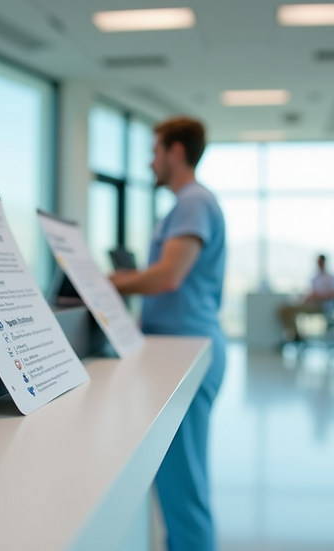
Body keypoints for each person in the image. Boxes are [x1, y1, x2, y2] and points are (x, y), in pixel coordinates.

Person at [110, 116, 225, 551]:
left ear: (176, 152)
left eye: (154, 151)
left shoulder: (194, 201)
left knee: (183, 491)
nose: (149, 161)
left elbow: (170, 275)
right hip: (178, 347)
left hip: (187, 350)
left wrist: (108, 282)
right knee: (179, 483)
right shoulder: (186, 205)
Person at [278, 254, 334, 342]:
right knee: (285, 309)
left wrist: (318, 296)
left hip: (322, 306)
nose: (318, 264)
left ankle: (297, 336)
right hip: (311, 303)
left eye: (320, 262)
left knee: (288, 309)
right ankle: (296, 335)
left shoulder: (331, 278)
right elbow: (311, 292)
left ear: (324, 262)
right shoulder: (315, 278)